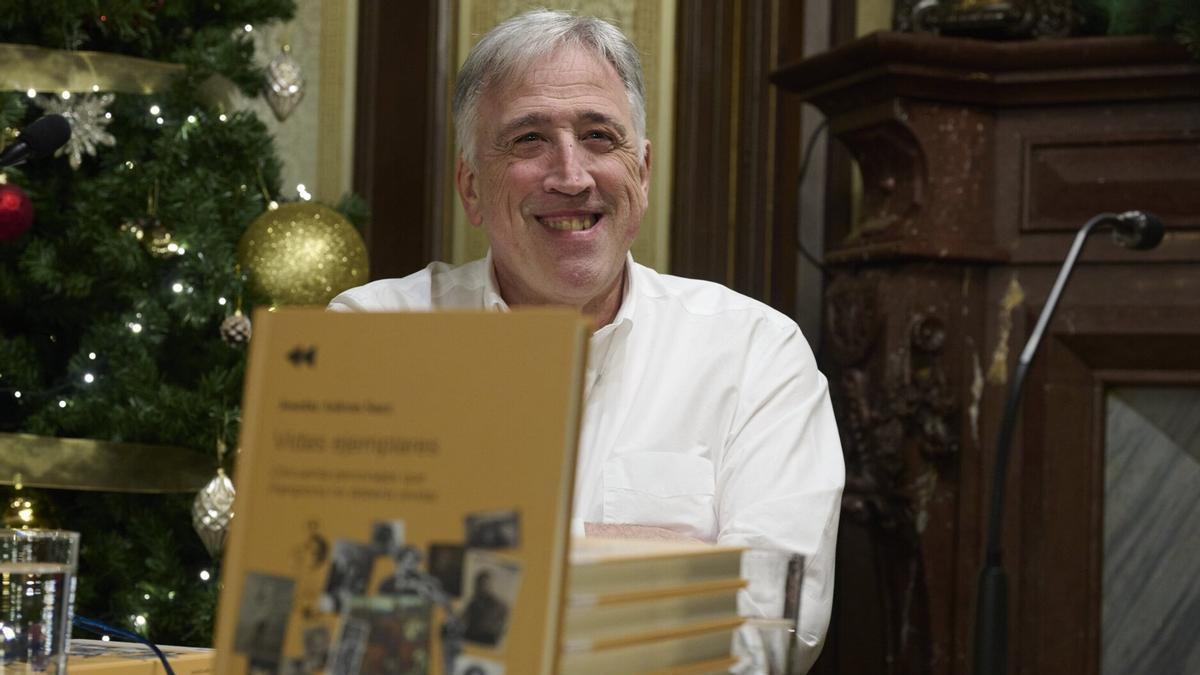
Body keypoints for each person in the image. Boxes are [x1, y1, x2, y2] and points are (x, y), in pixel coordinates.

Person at [329, 9, 844, 670]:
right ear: (471, 188)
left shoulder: (757, 353)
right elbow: (344, 606)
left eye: (599, 136)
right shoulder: (374, 338)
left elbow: (774, 622)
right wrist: (640, 566)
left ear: (644, 171)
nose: (570, 174)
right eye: (528, 140)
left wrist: (477, 570)